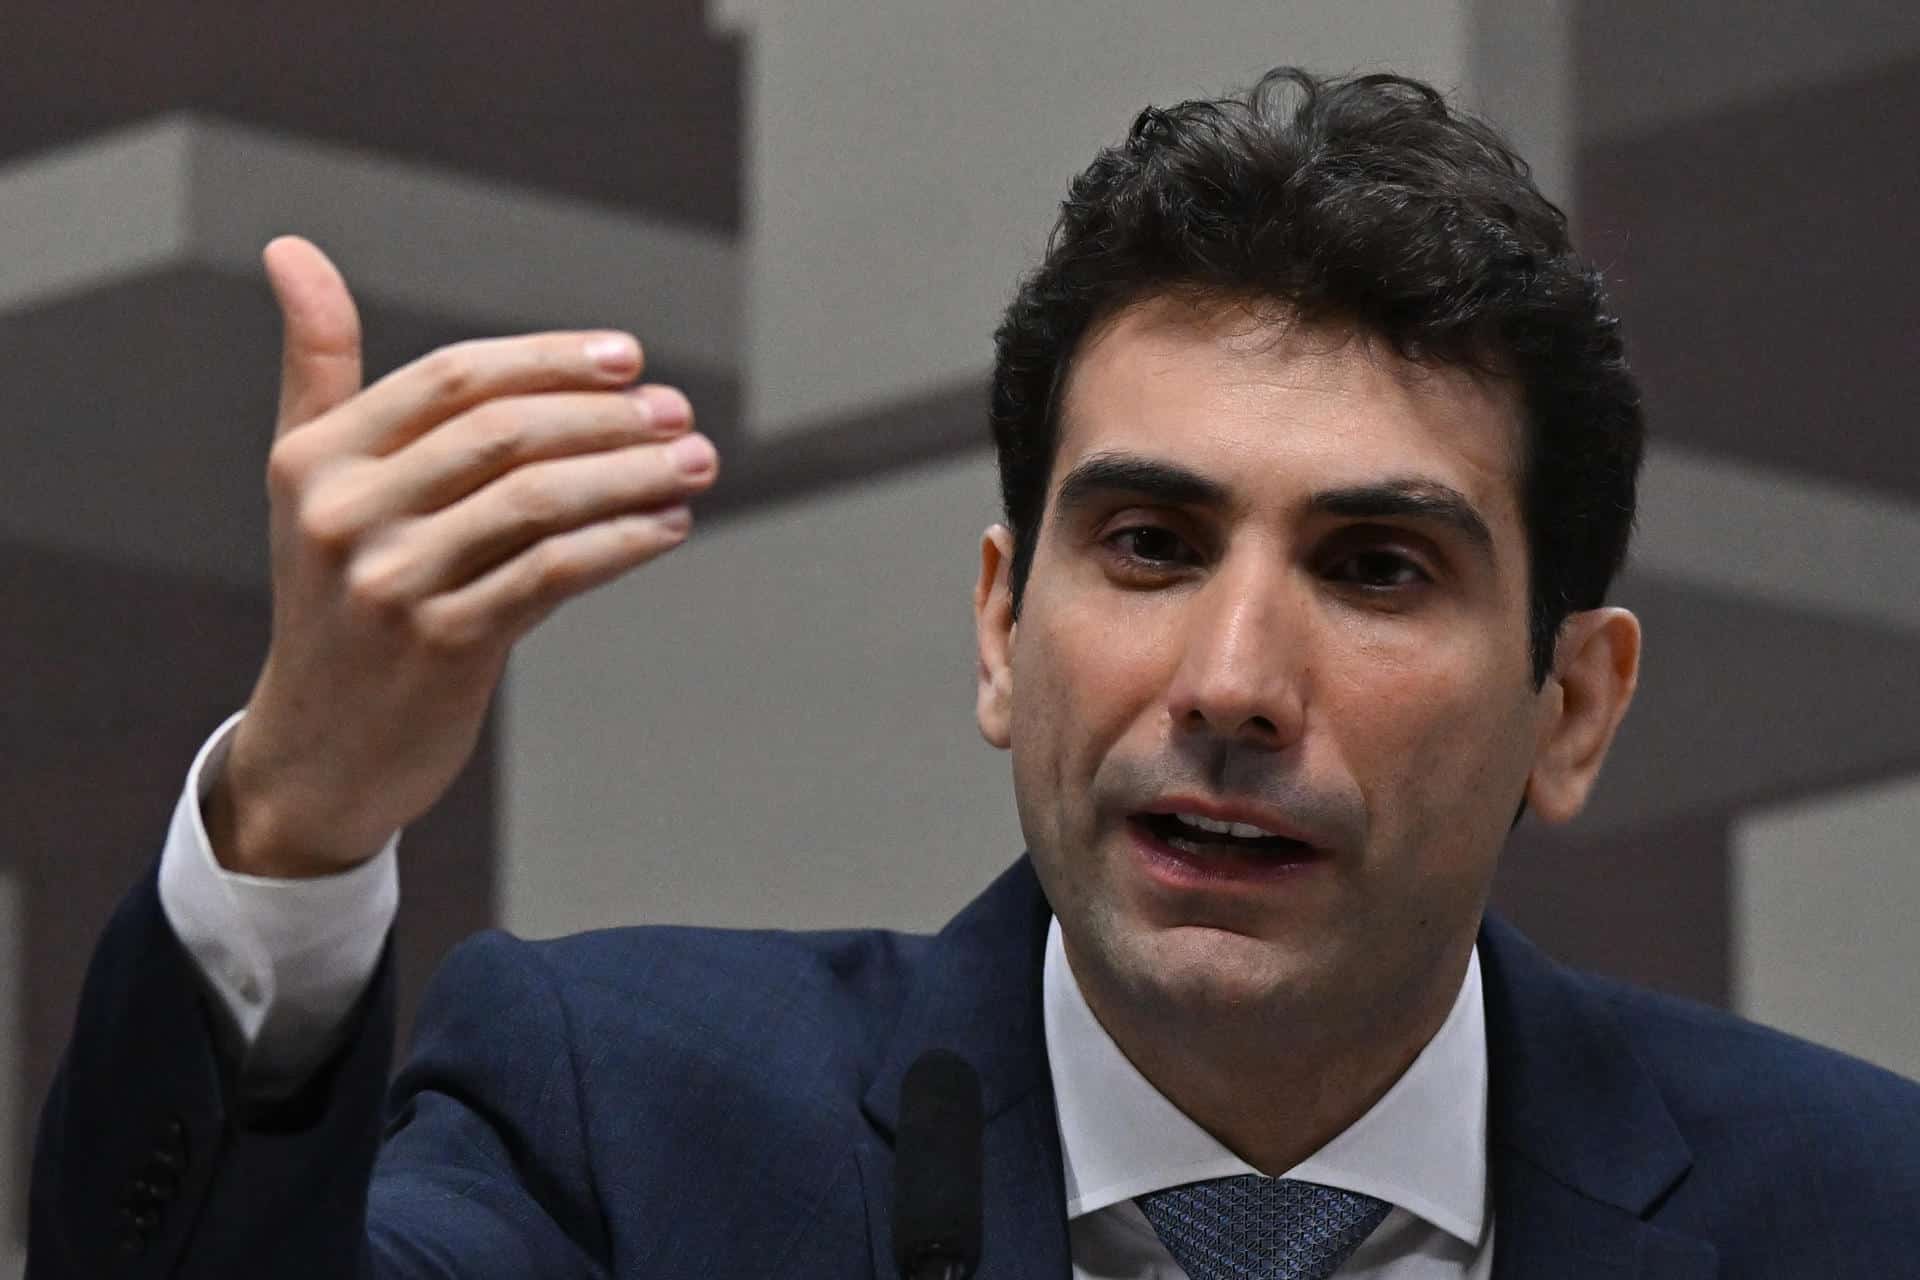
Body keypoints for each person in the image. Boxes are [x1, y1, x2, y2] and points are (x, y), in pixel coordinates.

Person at [29, 66, 1920, 1280]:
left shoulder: (1855, 1207)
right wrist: (298, 812)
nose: (1235, 681)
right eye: (1151, 546)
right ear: (1004, 629)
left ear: (1572, 706)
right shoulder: (629, 1133)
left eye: (1374, 567)